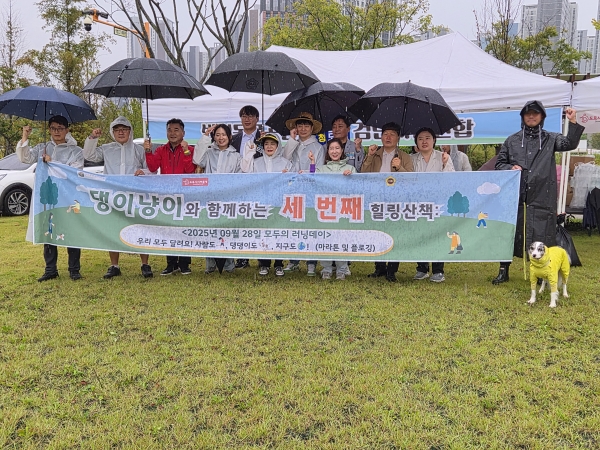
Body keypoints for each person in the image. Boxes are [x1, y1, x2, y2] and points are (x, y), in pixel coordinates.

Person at [492, 101, 584, 284]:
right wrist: (510, 167)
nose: (531, 116)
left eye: (535, 113)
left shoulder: (551, 138)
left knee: (541, 232)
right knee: (510, 233)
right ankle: (503, 270)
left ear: (542, 117)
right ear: (522, 117)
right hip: (516, 197)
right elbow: (499, 163)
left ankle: (542, 271)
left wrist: (573, 122)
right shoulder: (512, 140)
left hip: (542, 195)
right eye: (528, 113)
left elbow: (569, 143)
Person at [84, 116, 154, 279]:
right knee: (113, 229)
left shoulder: (139, 150)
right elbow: (89, 155)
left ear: (130, 131)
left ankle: (145, 264)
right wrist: (93, 137)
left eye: (124, 129)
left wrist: (143, 172)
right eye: (117, 129)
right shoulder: (106, 149)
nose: (121, 132)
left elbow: (150, 169)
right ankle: (114, 265)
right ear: (112, 132)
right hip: (113, 196)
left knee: (140, 227)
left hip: (135, 196)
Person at [16, 115, 85, 282]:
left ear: (67, 130)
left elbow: (75, 172)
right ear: (49, 130)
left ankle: (74, 269)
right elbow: (25, 158)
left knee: (72, 231)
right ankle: (50, 269)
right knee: (49, 230)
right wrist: (25, 137)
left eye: (60, 128)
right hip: (47, 196)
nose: (56, 132)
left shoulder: (75, 151)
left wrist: (52, 162)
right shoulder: (43, 147)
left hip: (68, 197)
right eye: (53, 128)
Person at [361, 122, 414, 282]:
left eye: (392, 134)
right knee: (378, 232)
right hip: (376, 199)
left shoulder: (404, 157)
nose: (388, 137)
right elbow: (363, 173)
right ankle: (379, 267)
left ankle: (392, 269)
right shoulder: (375, 154)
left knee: (394, 233)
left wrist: (399, 167)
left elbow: (411, 179)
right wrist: (369, 156)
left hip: (396, 201)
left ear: (398, 138)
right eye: (385, 134)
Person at [145, 118, 196, 276]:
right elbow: (152, 167)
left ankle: (185, 264)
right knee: (169, 229)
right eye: (169, 130)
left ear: (183, 133)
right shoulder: (161, 150)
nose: (172, 133)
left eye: (176, 130)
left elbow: (190, 170)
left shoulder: (190, 149)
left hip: (186, 195)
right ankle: (171, 263)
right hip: (167, 196)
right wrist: (148, 151)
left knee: (184, 229)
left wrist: (186, 152)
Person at [242, 132, 292, 277]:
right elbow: (246, 174)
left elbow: (292, 183)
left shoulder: (286, 163)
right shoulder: (256, 162)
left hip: (279, 204)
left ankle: (278, 264)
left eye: (272, 144)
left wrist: (286, 177)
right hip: (262, 204)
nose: (269, 147)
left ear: (278, 146)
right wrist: (250, 153)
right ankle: (264, 263)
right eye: (266, 144)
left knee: (278, 233)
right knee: (263, 233)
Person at [194, 124, 242, 274]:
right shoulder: (209, 153)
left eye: (224, 135)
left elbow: (239, 176)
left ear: (230, 137)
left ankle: (229, 264)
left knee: (227, 230)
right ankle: (210, 264)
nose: (221, 138)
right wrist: (205, 137)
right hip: (210, 198)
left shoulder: (236, 156)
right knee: (210, 230)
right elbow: (197, 160)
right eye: (218, 135)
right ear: (214, 137)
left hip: (228, 198)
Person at [282, 112, 325, 276]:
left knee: (310, 225)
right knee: (293, 225)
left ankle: (311, 262)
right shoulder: (293, 144)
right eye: (300, 125)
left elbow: (319, 169)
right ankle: (293, 260)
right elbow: (285, 158)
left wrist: (305, 174)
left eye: (306, 125)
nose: (303, 128)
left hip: (310, 190)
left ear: (312, 128)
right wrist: (292, 140)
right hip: (293, 190)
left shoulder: (318, 147)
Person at [307, 138, 356, 280]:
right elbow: (312, 180)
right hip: (326, 211)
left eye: (337, 148)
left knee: (342, 238)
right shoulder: (322, 169)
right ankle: (326, 268)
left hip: (343, 210)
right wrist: (312, 163)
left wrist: (351, 177)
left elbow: (357, 188)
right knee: (325, 238)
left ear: (342, 150)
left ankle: (342, 268)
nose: (334, 151)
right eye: (331, 149)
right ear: (327, 151)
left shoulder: (350, 169)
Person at [411, 127, 455, 283]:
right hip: (418, 203)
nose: (424, 141)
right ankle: (422, 268)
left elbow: (451, 179)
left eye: (427, 138)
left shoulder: (443, 156)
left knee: (437, 234)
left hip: (437, 203)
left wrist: (445, 164)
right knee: (420, 234)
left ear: (434, 140)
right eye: (420, 138)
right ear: (416, 142)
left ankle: (438, 270)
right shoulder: (411, 159)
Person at [231, 105, 262, 270]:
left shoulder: (263, 137)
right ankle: (242, 257)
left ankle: (261, 256)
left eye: (250, 116)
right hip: (238, 184)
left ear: (257, 119)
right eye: (244, 116)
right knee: (241, 219)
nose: (247, 119)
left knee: (258, 219)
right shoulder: (234, 139)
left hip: (258, 183)